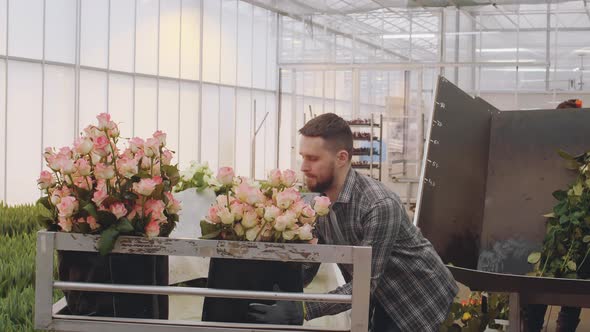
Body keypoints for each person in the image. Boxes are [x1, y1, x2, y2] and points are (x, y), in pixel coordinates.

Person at [247, 113, 458, 331]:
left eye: (313, 158)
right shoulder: (320, 203)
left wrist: (302, 310)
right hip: (379, 291)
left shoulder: (378, 205)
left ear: (341, 158)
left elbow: (365, 285)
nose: (303, 167)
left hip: (416, 295)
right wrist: (272, 289)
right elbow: (311, 263)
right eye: (303, 156)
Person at [523, 98, 584, 332]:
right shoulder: (545, 154)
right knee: (539, 293)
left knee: (570, 296)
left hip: (574, 239)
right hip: (545, 235)